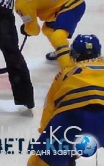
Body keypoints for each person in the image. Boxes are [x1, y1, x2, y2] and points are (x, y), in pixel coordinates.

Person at [27, 34, 103, 166]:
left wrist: (47, 135)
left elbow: (49, 107)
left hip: (73, 115)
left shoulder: (66, 73)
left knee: (39, 162)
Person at [15, 0, 86, 70]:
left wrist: (25, 29)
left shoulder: (21, 4)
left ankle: (68, 68)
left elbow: (34, 30)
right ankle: (61, 51)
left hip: (71, 5)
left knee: (57, 36)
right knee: (48, 29)